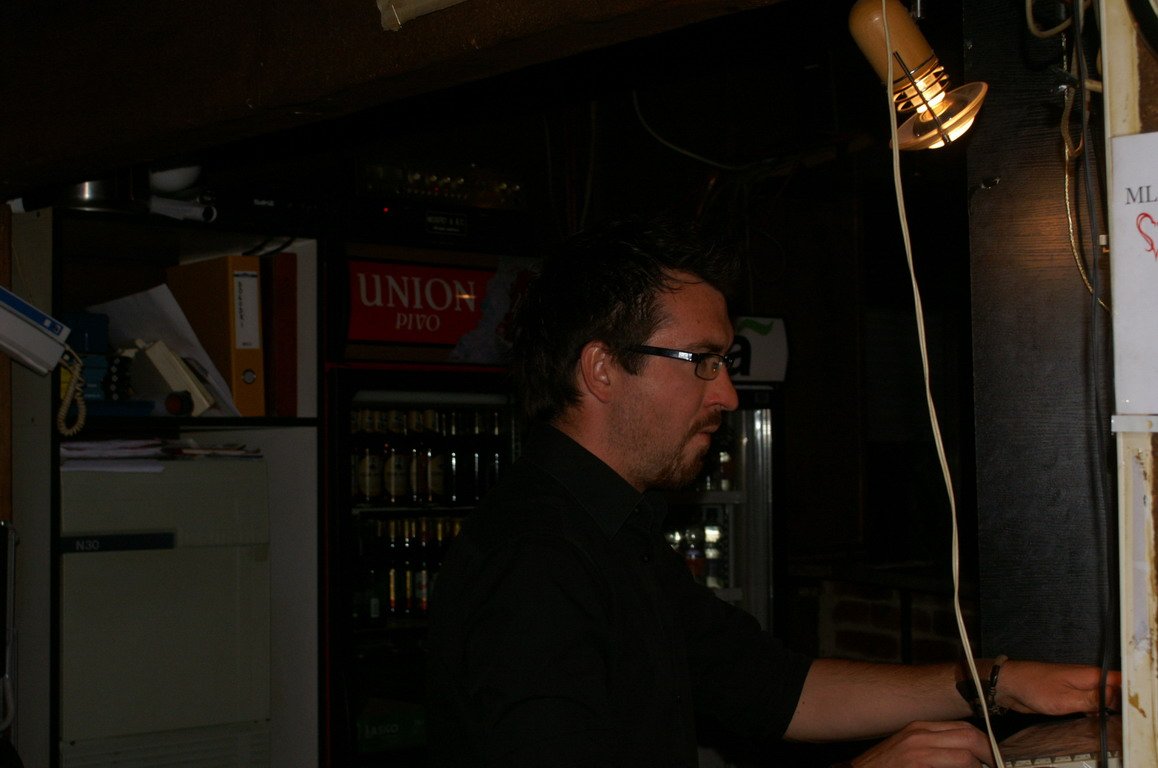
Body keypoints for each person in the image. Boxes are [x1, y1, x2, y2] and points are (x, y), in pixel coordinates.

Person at [425, 215, 1121, 767]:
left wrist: (997, 683)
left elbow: (779, 690)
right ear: (602, 369)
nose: (727, 393)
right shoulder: (536, 559)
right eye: (702, 361)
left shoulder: (612, 528)